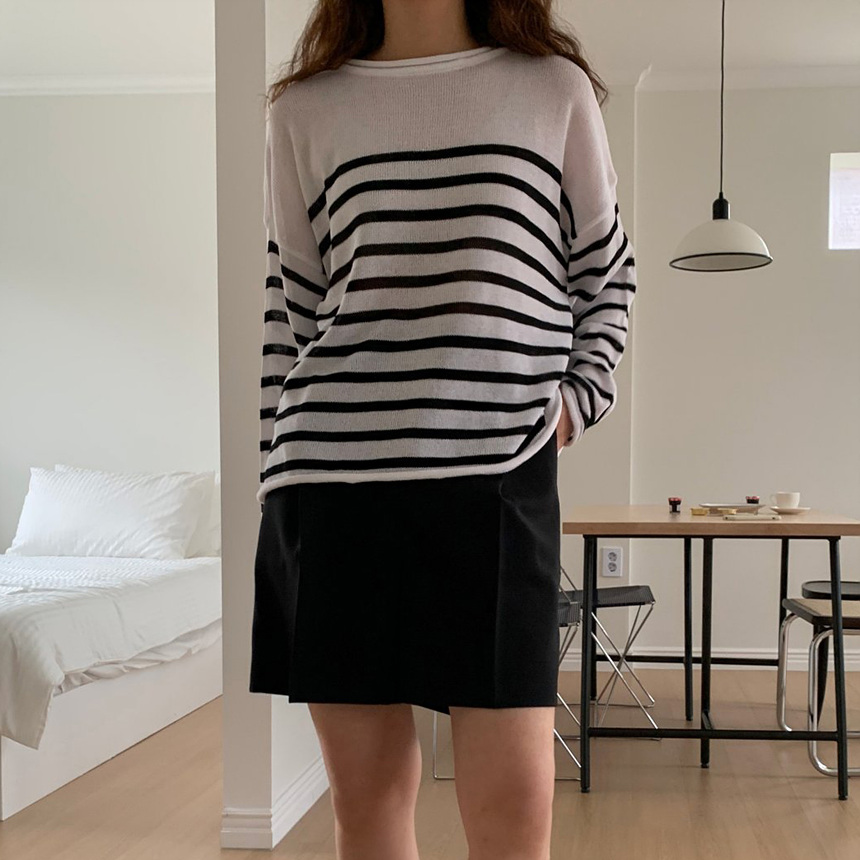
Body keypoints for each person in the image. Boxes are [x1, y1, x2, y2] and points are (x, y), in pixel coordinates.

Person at [249, 1, 636, 858]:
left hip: (497, 475)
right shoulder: (304, 109)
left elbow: (605, 277)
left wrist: (572, 405)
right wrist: (273, 475)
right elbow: (293, 311)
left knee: (513, 815)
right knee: (367, 803)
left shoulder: (552, 88)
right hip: (334, 481)